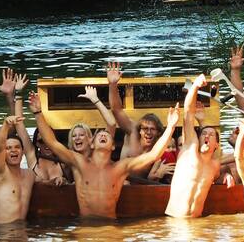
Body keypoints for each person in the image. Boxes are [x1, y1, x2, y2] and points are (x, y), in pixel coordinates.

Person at [29, 91, 180, 219]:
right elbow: (52, 142)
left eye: (107, 135)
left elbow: (153, 155)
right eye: (99, 134)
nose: (103, 134)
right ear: (92, 144)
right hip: (86, 228)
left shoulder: (120, 168)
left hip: (110, 229)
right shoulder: (79, 163)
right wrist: (38, 113)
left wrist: (171, 127)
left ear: (113, 146)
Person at [165, 73, 224, 218]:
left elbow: (222, 171)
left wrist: (226, 175)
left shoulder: (215, 166)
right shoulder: (190, 150)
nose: (207, 136)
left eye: (211, 135)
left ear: (216, 145)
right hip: (175, 221)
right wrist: (195, 87)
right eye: (204, 134)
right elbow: (188, 114)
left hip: (196, 223)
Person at [106, 62, 167, 175]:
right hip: (122, 180)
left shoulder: (160, 145)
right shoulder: (132, 131)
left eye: (152, 129)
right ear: (139, 130)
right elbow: (116, 110)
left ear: (158, 132)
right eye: (145, 128)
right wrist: (112, 85)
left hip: (144, 184)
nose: (148, 132)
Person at [0, 114, 35, 224]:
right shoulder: (1, 172)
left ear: (23, 152)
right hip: (3, 228)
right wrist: (6, 125)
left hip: (22, 228)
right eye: (8, 148)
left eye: (17, 147)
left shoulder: (30, 175)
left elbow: (43, 181)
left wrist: (57, 180)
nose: (13, 150)